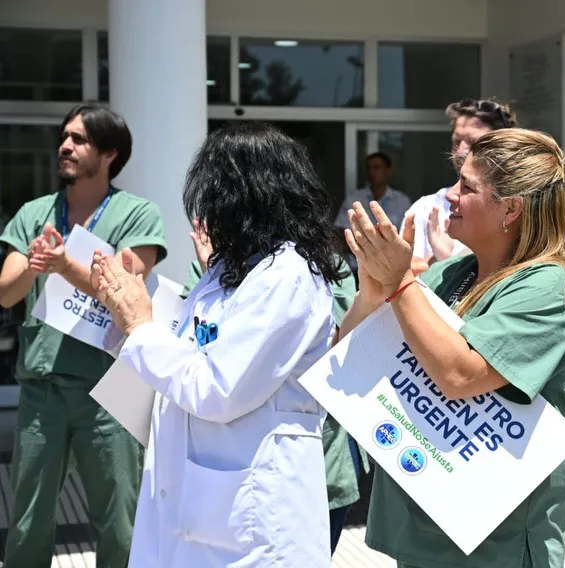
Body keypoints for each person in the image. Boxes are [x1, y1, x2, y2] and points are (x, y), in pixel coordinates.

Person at [339, 127, 565, 567]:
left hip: (493, 542)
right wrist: (371, 292)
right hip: (425, 525)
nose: (450, 196)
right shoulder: (454, 272)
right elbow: (352, 351)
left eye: (467, 187)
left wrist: (400, 281)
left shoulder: (552, 288)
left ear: (511, 209)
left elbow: (460, 374)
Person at [89, 122, 346, 567]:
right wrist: (126, 313)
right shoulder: (226, 270)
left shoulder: (288, 275)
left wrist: (140, 325)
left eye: (216, 192)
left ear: (249, 195)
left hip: (251, 523)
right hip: (193, 506)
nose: (206, 210)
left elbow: (216, 388)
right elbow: (181, 359)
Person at [0, 103, 167, 568]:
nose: (65, 146)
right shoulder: (36, 213)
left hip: (109, 392)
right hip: (42, 390)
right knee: (29, 521)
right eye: (64, 137)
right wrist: (35, 265)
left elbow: (124, 286)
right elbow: (6, 294)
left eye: (78, 139)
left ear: (110, 153)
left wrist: (61, 263)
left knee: (122, 522)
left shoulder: (137, 214)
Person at [180, 220, 370, 555]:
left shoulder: (319, 262)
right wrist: (214, 275)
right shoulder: (214, 263)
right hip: (227, 466)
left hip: (318, 462)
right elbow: (188, 344)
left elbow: (337, 352)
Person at [403, 98, 517, 264]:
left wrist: (443, 261)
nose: (461, 151)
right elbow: (404, 272)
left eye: (473, 142)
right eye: (457, 142)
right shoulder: (427, 208)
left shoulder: (524, 209)